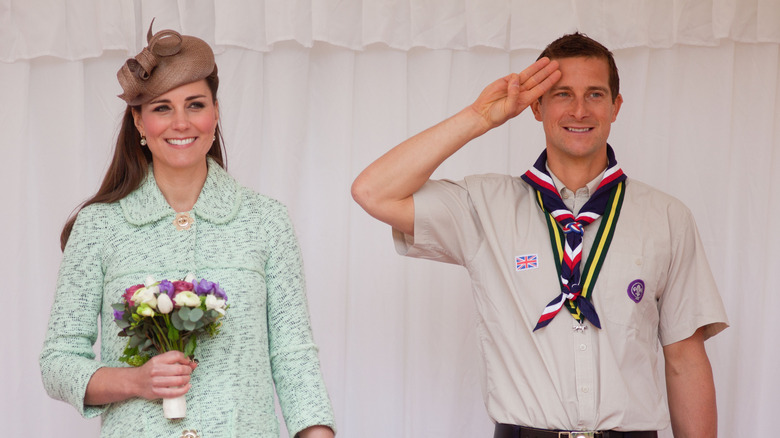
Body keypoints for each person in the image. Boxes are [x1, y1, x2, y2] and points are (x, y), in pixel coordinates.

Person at [352, 32, 728, 437]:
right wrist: (480, 117)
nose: (580, 110)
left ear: (616, 106)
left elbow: (684, 361)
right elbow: (373, 191)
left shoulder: (667, 217)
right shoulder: (484, 207)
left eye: (596, 95)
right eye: (563, 94)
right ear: (536, 106)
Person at [40, 23, 336, 438]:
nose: (181, 122)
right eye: (162, 108)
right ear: (139, 123)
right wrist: (136, 381)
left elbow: (294, 358)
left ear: (215, 113)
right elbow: (58, 361)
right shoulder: (99, 225)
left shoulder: (265, 220)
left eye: (195, 105)